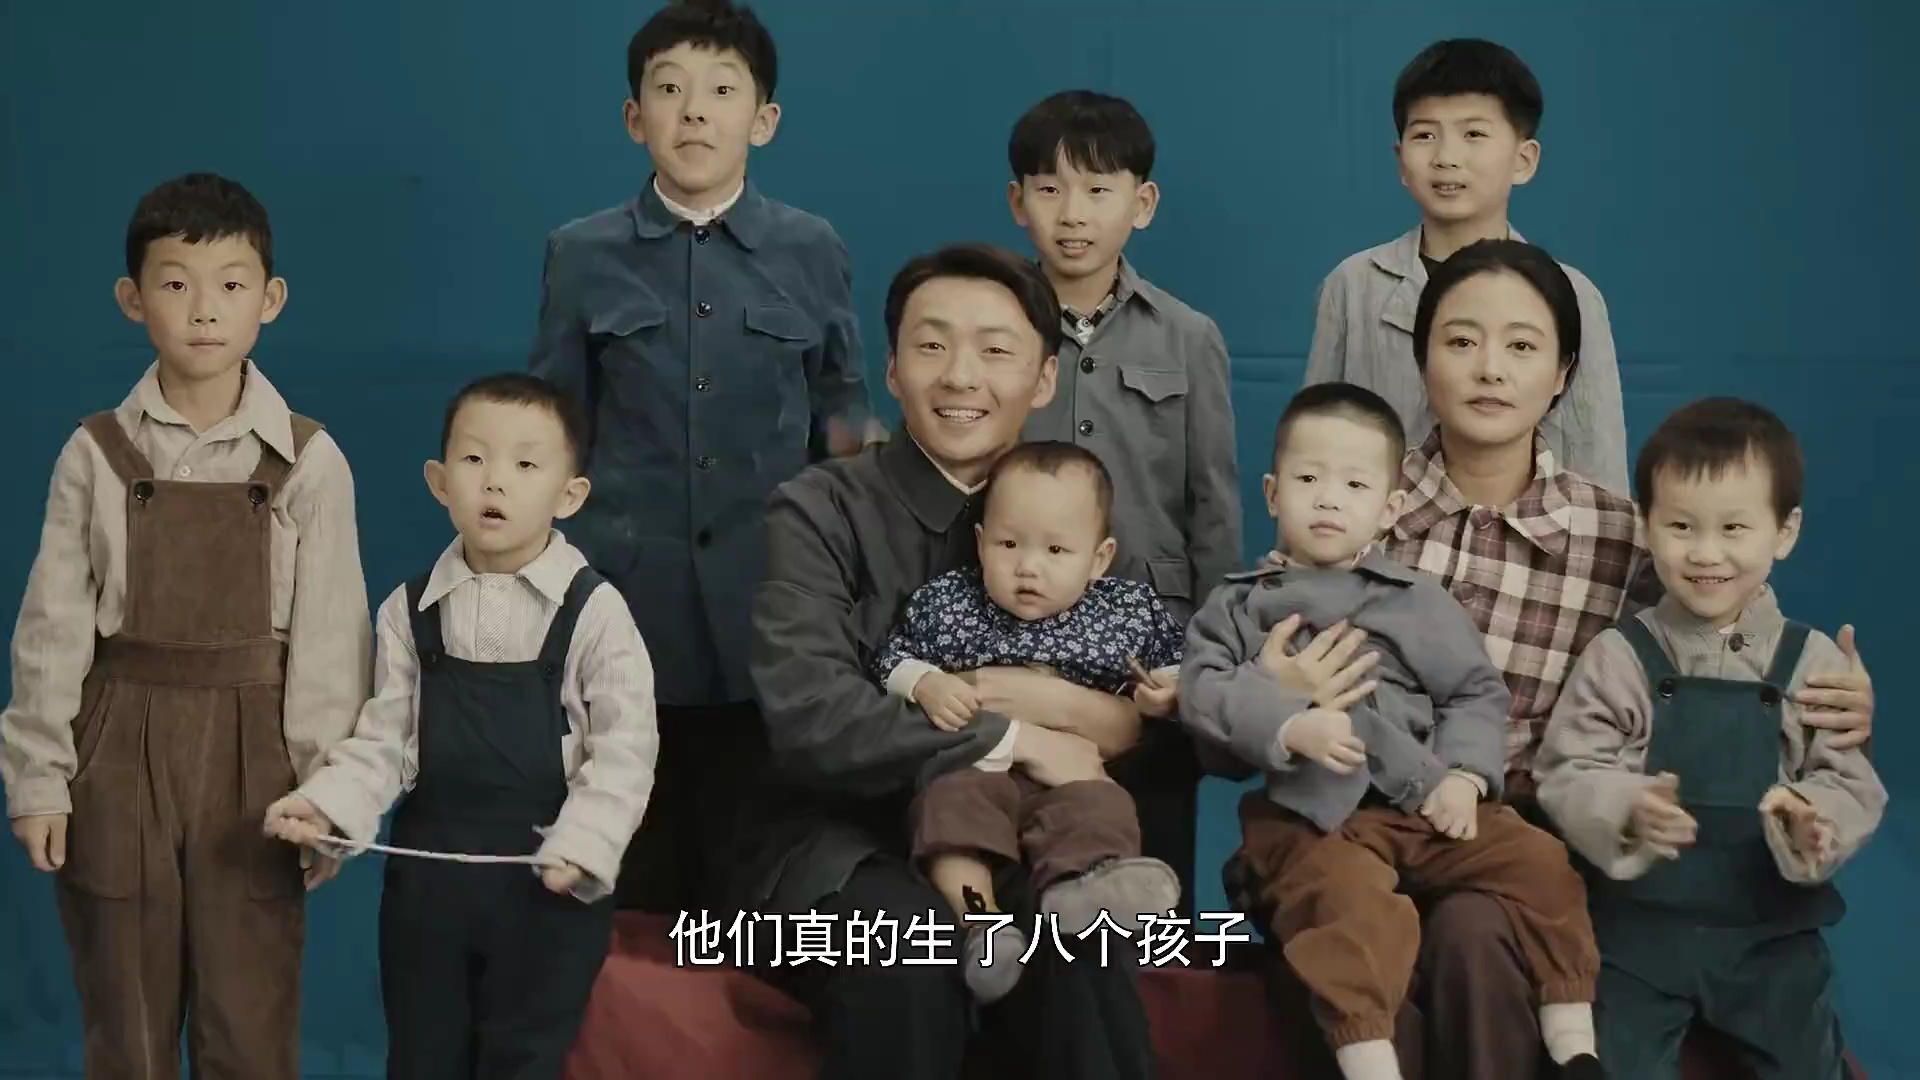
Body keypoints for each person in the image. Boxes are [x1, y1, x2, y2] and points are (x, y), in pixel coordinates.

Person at [1234, 238, 1878, 1080]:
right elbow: (1229, 695)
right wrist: (1272, 693)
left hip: (1512, 838)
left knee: (1476, 940)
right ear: (1422, 360)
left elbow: (1720, 627)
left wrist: (1826, 690)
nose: (1490, 368)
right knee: (1358, 935)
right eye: (1461, 341)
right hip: (1341, 822)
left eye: (1522, 345)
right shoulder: (1351, 511)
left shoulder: (1619, 537)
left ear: (1563, 372)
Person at [744, 243, 1155, 1079]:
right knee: (910, 955)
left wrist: (1093, 715)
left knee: (1081, 948)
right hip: (842, 837)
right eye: (932, 346)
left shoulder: (1080, 508)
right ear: (893, 371)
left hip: (1026, 828)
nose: (961, 375)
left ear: (1044, 378)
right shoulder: (819, 509)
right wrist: (1017, 734)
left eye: (996, 350)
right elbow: (813, 714)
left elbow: (1136, 712)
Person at [0, 173, 373, 1080]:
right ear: (133, 300)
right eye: (175, 283)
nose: (204, 309)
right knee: (125, 1013)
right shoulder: (95, 454)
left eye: (231, 284)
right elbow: (52, 627)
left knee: (249, 1016)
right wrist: (38, 777)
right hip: (118, 751)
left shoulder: (310, 461)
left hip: (257, 762)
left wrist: (329, 795)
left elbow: (332, 642)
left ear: (269, 300)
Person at [527, 0, 872, 916]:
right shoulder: (581, 254)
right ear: (633, 116)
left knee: (758, 883)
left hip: (773, 616)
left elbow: (843, 420)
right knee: (627, 885)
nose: (694, 113)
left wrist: (849, 588)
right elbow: (550, 435)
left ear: (764, 119)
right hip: (625, 611)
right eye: (669, 90)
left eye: (722, 91)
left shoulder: (812, 249)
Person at [1184, 382, 1606, 1080]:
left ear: (1387, 509)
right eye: (1308, 480)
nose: (1328, 500)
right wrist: (1288, 723)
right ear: (1272, 494)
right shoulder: (1238, 605)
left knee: (1538, 860)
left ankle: (1572, 1037)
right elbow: (1202, 692)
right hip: (1314, 821)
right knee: (1350, 911)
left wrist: (1465, 777)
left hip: (1421, 806)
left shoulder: (1415, 600)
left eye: (1353, 485)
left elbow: (1473, 691)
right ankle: (1370, 1057)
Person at [263, 373, 659, 1080]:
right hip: (428, 894)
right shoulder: (409, 610)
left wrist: (587, 845)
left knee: (523, 1061)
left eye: (526, 464)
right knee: (423, 1056)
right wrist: (324, 808)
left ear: (570, 495)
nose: (495, 481)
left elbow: (625, 750)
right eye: (474, 459)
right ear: (440, 482)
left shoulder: (596, 613)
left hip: (549, 886)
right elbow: (385, 740)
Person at [1535, 397, 1885, 1079]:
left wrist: (1813, 820)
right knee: (1612, 1062)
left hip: (1769, 937)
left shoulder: (1813, 664)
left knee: (1808, 1060)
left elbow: (1848, 779)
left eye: (1734, 528)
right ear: (1647, 526)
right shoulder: (1618, 657)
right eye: (1680, 526)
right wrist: (1626, 807)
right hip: (1635, 935)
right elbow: (1570, 768)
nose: (1705, 553)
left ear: (1784, 531)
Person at [1005, 87, 1239, 915]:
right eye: (1050, 188)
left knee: (1152, 879)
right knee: (1019, 856)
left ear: (1142, 204)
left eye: (1099, 190)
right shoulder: (994, 328)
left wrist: (1209, 660)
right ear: (1018, 203)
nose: (1073, 213)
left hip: (1151, 656)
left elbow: (1213, 507)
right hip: (1016, 641)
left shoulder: (1188, 336)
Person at [873, 439, 1185, 1003]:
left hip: (1071, 768)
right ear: (980, 542)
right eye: (1009, 543)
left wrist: (1166, 693)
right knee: (948, 810)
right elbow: (892, 660)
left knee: (1101, 806)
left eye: (1057, 550)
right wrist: (925, 683)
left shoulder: (1127, 611)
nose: (1028, 567)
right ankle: (981, 925)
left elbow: (1176, 668)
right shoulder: (947, 603)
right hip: (975, 762)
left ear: (1100, 558)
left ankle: (1079, 892)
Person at [1300, 38, 1628, 493]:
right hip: (1382, 533)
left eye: (1474, 134)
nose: (1446, 158)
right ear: (1401, 161)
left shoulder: (1571, 293)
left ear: (1524, 159)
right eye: (1424, 135)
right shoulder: (1353, 286)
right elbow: (1311, 447)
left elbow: (1596, 464)